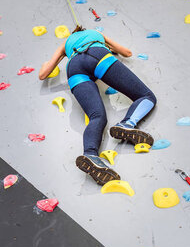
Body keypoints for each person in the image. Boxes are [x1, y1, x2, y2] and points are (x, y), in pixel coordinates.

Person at [38, 25, 156, 185]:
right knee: (146, 96)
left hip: (74, 68)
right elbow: (127, 53)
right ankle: (128, 124)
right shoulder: (96, 34)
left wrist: (46, 64)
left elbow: (43, 75)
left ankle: (90, 155)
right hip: (97, 55)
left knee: (97, 116)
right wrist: (108, 47)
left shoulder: (65, 44)